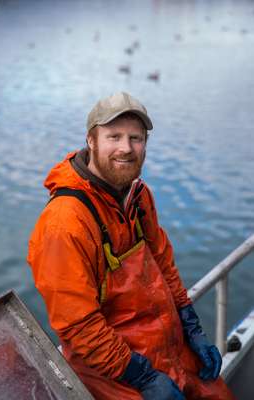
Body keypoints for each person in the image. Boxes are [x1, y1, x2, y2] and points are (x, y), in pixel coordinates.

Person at [27, 92, 236, 400]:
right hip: (113, 368)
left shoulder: (138, 196)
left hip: (167, 345)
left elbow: (164, 265)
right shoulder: (64, 223)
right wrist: (144, 377)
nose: (126, 148)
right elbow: (77, 326)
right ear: (91, 141)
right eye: (114, 137)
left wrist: (192, 328)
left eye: (135, 138)